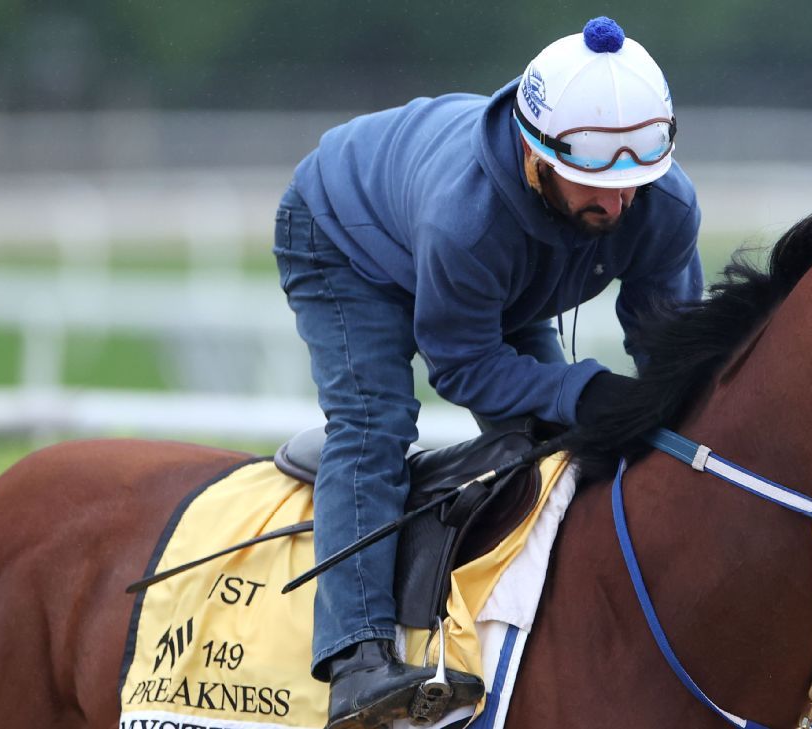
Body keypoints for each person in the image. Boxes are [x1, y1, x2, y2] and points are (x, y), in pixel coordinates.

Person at [272, 16, 703, 729]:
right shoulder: (466, 217)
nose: (618, 204)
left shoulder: (660, 203)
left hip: (496, 275)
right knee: (376, 421)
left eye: (635, 184)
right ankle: (356, 658)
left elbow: (674, 356)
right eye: (595, 185)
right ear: (538, 158)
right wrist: (583, 387)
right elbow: (463, 363)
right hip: (342, 236)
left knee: (559, 446)